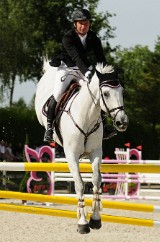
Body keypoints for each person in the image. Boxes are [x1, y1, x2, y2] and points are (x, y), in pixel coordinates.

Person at [44, 8, 114, 142]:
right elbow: (76, 57)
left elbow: (101, 58)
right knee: (58, 93)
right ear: (75, 24)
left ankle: (105, 126)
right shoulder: (68, 37)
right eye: (80, 23)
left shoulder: (93, 37)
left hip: (83, 68)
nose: (83, 26)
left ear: (90, 24)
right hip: (66, 67)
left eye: (86, 23)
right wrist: (87, 72)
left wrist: (106, 74)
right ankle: (49, 128)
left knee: (95, 93)